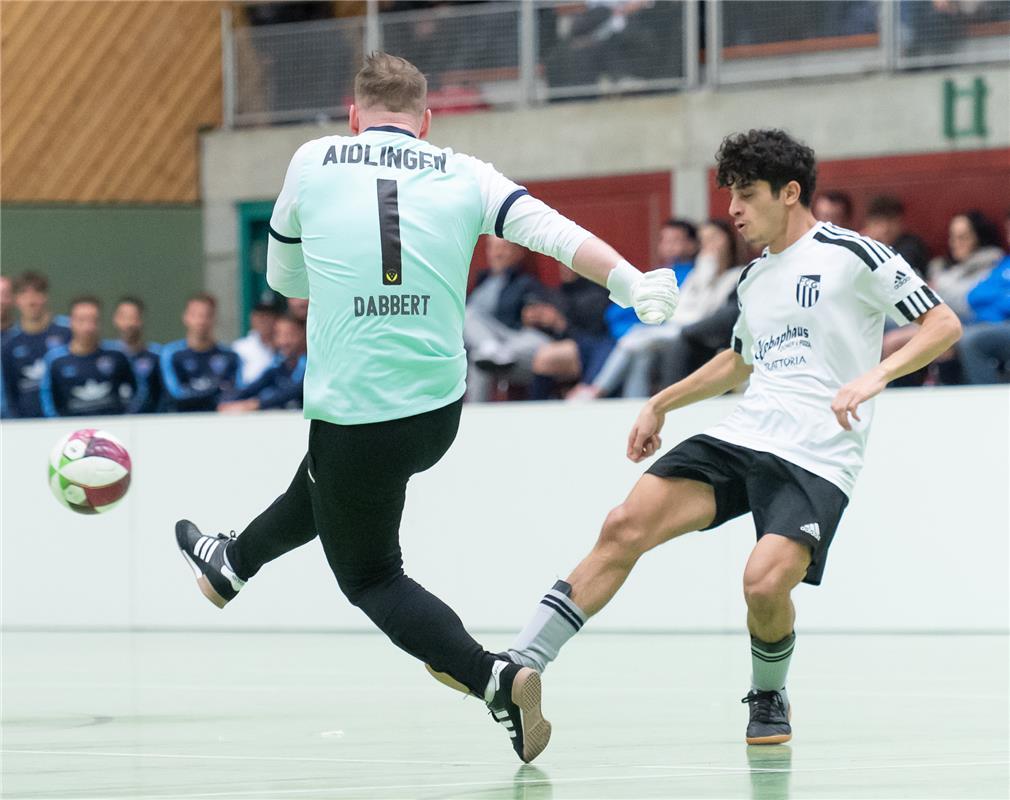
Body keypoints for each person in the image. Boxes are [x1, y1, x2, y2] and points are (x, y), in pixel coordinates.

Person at [172, 52, 678, 765]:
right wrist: (629, 280)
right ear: (426, 121)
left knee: (371, 574)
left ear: (353, 115)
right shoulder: (463, 169)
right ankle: (229, 566)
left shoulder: (314, 160)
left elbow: (284, 280)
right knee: (325, 486)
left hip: (356, 412)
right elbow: (553, 232)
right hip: (438, 411)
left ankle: (495, 679)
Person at [455, 129, 961, 747]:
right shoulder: (752, 278)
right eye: (731, 196)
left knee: (764, 582)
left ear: (790, 192)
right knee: (624, 524)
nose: (733, 211)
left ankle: (769, 692)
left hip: (818, 454)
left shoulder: (855, 254)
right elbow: (738, 361)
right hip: (744, 432)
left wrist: (875, 376)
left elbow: (943, 322)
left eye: (746, 195)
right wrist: (660, 403)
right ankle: (521, 664)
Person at [572, 219, 743, 399]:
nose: (708, 246)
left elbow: (708, 312)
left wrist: (708, 267)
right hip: (674, 326)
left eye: (714, 238)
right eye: (704, 240)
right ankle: (634, 404)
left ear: (729, 241)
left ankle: (597, 390)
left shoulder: (735, 275)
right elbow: (681, 308)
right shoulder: (697, 274)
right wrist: (705, 270)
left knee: (631, 342)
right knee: (641, 352)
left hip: (696, 332)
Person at [463, 236, 552, 402]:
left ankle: (491, 350)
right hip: (480, 346)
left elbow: (536, 314)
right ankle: (489, 349)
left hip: (512, 341)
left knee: (483, 357)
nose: (497, 253)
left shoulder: (526, 283)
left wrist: (532, 315)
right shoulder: (480, 283)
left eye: (503, 248)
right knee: (469, 319)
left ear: (518, 252)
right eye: (493, 248)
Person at [528, 262, 613, 399]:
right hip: (554, 343)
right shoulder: (557, 292)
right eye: (563, 263)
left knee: (545, 357)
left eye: (571, 263)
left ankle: (536, 407)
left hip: (592, 351)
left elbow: (595, 336)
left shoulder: (598, 295)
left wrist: (560, 324)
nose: (565, 268)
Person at [40, 296, 137, 417]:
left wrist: (128, 418)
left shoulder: (118, 354)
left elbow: (138, 392)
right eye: (81, 320)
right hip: (70, 431)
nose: (88, 327)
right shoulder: (55, 360)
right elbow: (48, 402)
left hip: (113, 430)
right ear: (71, 322)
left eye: (93, 320)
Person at [1, 271, 71, 418]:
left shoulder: (68, 331)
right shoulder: (8, 343)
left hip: (67, 421)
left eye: (37, 293)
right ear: (16, 300)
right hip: (26, 425)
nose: (31, 301)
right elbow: (8, 392)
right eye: (24, 295)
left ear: (45, 296)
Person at [160, 294, 242, 413]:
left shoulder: (231, 356)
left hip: (219, 423)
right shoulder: (171, 354)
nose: (201, 321)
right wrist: (216, 390)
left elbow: (236, 394)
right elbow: (175, 395)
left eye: (206, 316)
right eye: (195, 315)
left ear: (215, 318)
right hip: (182, 423)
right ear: (185, 317)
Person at [959, 211, 1010, 384]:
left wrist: (997, 303)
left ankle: (987, 401)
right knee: (945, 331)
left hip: (1001, 326)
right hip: (988, 323)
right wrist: (1001, 299)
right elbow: (975, 295)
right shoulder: (1005, 262)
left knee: (972, 340)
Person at [219, 314, 307, 412]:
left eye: (290, 335)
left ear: (303, 335)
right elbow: (253, 388)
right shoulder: (278, 366)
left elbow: (295, 390)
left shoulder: (313, 365)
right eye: (278, 335)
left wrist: (256, 404)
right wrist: (226, 402)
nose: (283, 341)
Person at [108, 296, 163, 414]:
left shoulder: (157, 355)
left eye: (133, 317)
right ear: (115, 319)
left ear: (141, 320)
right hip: (112, 421)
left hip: (148, 420)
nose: (128, 323)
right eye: (123, 317)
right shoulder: (106, 355)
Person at [861, 195, 930, 278]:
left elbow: (894, 273)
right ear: (868, 225)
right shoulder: (860, 245)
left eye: (891, 222)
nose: (885, 229)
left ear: (901, 222)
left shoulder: (912, 246)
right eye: (878, 223)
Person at [232, 300, 279, 384]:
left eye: (269, 316)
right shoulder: (239, 347)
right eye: (260, 316)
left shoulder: (284, 346)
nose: (264, 321)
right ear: (252, 318)